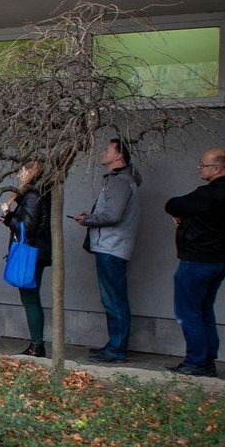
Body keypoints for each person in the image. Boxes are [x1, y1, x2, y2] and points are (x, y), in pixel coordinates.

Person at [73, 138, 141, 363]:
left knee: (114, 299)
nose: (103, 152)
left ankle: (117, 350)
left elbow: (113, 215)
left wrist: (88, 220)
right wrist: (92, 216)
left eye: (107, 150)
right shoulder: (119, 180)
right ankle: (114, 345)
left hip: (112, 247)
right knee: (112, 298)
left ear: (118, 156)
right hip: (111, 246)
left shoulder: (120, 182)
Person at [163, 148, 225, 378]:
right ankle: (207, 359)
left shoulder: (209, 194)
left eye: (203, 164)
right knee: (204, 309)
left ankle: (196, 361)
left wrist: (184, 215)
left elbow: (173, 204)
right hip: (219, 260)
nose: (199, 168)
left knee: (188, 311)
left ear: (216, 169)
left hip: (197, 260)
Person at [1, 160, 52, 357]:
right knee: (31, 298)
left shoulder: (32, 196)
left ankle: (37, 345)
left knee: (30, 299)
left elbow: (27, 227)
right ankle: (36, 344)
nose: (19, 175)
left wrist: (8, 216)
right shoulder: (38, 194)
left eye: (22, 172)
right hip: (37, 251)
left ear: (31, 172)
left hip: (31, 252)